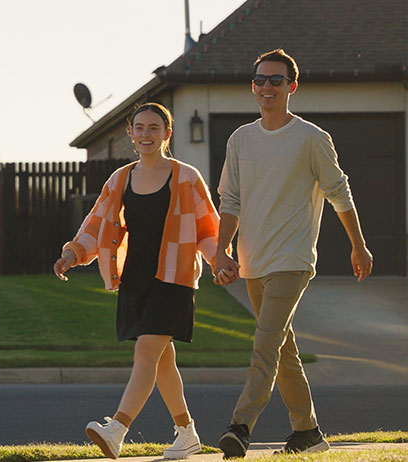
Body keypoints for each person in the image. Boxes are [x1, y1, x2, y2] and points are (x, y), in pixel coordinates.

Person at [212, 48, 373, 458]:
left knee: (264, 346)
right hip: (252, 261)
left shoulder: (312, 139)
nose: (267, 86)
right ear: (253, 87)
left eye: (276, 80)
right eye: (261, 80)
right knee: (283, 351)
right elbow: (230, 200)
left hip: (292, 260)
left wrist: (358, 245)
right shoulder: (240, 139)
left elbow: (340, 193)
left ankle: (240, 427)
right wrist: (222, 250)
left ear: (292, 87)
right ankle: (308, 433)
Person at [54, 102, 220, 459]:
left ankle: (117, 429)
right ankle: (187, 433)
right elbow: (96, 223)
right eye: (140, 128)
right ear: (131, 134)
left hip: (175, 276)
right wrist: (72, 254)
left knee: (145, 351)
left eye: (154, 128)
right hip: (135, 277)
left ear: (167, 134)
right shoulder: (120, 179)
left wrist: (220, 260)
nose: (146, 134)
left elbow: (208, 227)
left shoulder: (186, 176)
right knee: (161, 360)